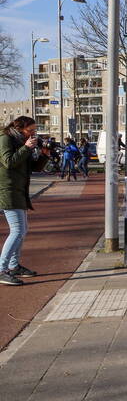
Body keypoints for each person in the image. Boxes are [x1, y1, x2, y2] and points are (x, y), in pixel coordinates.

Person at [0, 116, 50, 286]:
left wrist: (44, 155)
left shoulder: (22, 141)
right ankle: (2, 269)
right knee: (17, 230)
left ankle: (14, 266)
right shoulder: (5, 139)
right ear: (20, 128)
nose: (33, 133)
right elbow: (8, 162)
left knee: (22, 230)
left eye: (34, 131)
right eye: (31, 130)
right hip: (7, 190)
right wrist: (27, 147)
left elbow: (34, 168)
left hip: (20, 190)